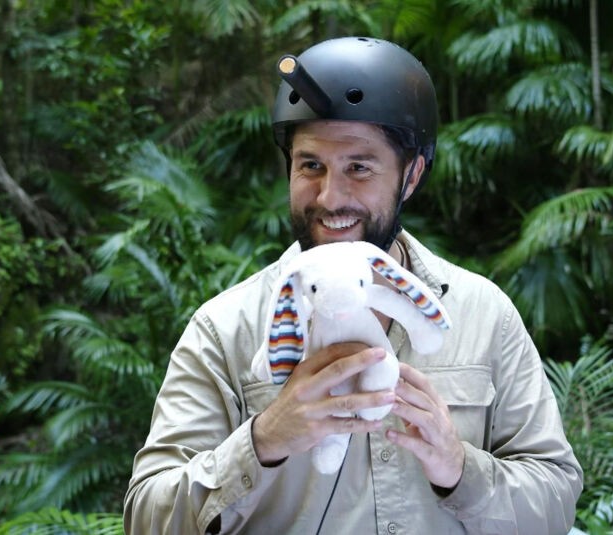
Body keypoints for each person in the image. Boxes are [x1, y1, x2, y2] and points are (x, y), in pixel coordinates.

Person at [124, 36, 583, 534]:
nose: (330, 196)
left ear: (411, 176)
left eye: (359, 168)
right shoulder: (225, 328)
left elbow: (556, 502)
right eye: (310, 166)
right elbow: (147, 516)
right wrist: (262, 441)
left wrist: (458, 467)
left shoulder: (483, 314)